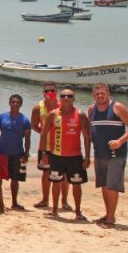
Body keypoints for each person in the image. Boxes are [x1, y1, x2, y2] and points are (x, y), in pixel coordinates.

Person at [88, 83, 128, 228]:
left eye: (103, 93)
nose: (100, 96)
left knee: (112, 185)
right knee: (104, 185)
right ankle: (108, 214)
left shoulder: (118, 107)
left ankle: (110, 218)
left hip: (117, 153)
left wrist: (120, 141)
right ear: (93, 95)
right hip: (99, 153)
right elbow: (89, 129)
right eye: (97, 94)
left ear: (108, 93)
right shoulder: (91, 109)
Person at [40, 88, 91, 220]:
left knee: (76, 184)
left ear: (74, 99)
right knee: (55, 183)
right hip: (56, 156)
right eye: (63, 96)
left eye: (69, 96)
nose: (66, 98)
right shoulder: (53, 114)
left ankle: (78, 212)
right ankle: (55, 210)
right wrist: (45, 154)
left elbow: (86, 137)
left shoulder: (80, 114)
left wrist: (87, 156)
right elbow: (44, 133)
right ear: (60, 98)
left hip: (75, 157)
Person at [31, 82, 68, 211]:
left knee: (63, 174)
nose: (49, 93)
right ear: (43, 92)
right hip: (45, 145)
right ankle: (45, 200)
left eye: (51, 90)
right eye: (46, 91)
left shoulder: (63, 105)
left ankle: (64, 202)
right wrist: (43, 132)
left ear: (56, 91)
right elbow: (34, 125)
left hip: (61, 145)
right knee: (46, 173)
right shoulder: (38, 108)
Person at [0, 94, 30, 210]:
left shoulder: (25, 120)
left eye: (18, 102)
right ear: (9, 103)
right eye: (13, 102)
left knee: (15, 179)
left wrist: (26, 153)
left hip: (17, 153)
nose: (15, 104)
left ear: (21, 104)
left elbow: (27, 138)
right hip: (2, 152)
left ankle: (14, 202)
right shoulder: (2, 117)